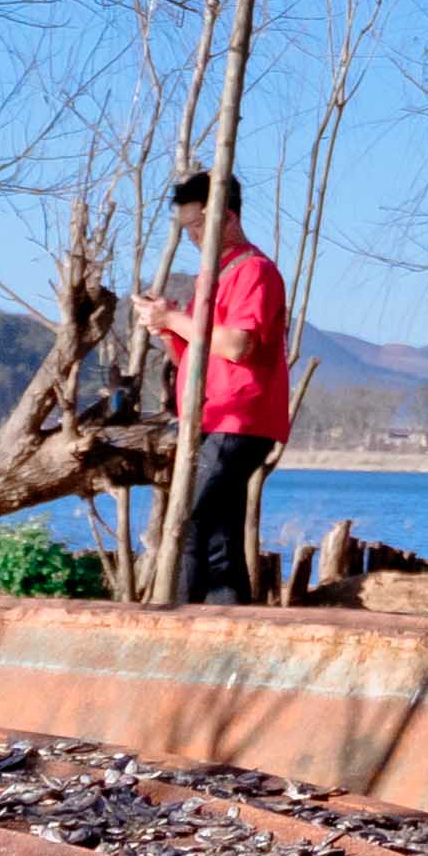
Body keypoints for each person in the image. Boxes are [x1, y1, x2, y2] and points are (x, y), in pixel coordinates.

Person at [162, 167, 289, 605]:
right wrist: (166, 328)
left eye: (199, 224)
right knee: (218, 537)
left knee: (191, 521)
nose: (194, 236)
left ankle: (182, 623)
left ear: (228, 218)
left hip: (239, 419)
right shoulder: (212, 279)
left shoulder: (253, 271)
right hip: (213, 415)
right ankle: (229, 622)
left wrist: (176, 320)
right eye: (187, 228)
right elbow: (197, 359)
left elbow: (237, 344)